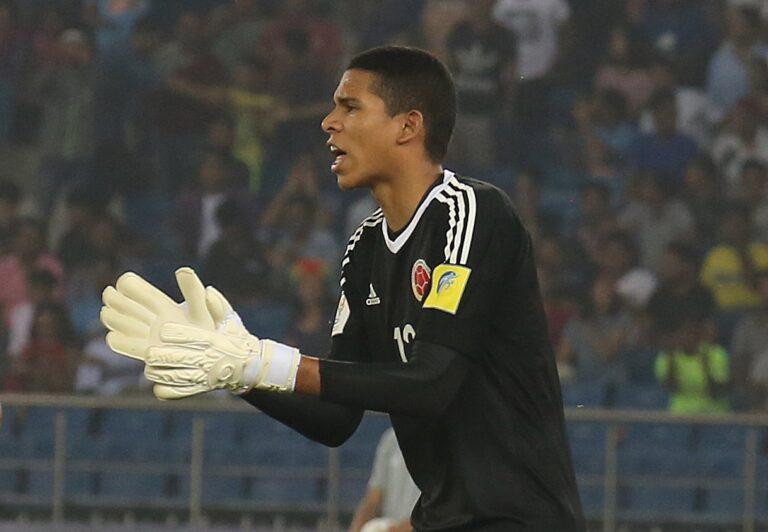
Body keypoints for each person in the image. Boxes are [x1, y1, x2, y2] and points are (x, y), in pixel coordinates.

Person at [101, 46, 585, 530]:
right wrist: (238, 369)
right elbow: (336, 419)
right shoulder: (364, 248)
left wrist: (263, 361)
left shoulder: (472, 213)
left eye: (350, 107)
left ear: (408, 126)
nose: (328, 123)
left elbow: (432, 383)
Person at [349, 428, 420, 532]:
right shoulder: (391, 438)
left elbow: (435, 510)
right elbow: (374, 497)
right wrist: (356, 528)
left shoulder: (444, 442)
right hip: (392, 526)